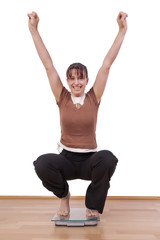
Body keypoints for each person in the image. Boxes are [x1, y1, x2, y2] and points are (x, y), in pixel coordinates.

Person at [27, 11, 128, 218]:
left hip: (90, 161)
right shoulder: (62, 96)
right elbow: (48, 65)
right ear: (67, 80)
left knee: (108, 159)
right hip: (66, 161)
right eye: (72, 78)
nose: (76, 82)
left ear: (87, 80)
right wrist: (33, 30)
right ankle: (64, 196)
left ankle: (93, 205)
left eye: (80, 78)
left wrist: (121, 30)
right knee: (41, 163)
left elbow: (106, 65)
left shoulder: (93, 97)